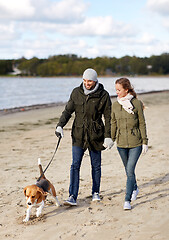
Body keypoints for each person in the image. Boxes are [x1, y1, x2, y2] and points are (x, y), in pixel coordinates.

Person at [55, 68, 114, 206]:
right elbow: (68, 111)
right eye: (85, 80)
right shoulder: (76, 92)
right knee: (75, 165)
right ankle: (72, 196)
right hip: (78, 135)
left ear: (95, 80)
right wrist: (60, 125)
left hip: (96, 135)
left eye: (90, 81)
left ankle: (95, 192)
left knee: (96, 166)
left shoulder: (103, 95)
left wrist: (108, 136)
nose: (87, 83)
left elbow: (108, 117)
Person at [111, 78, 148, 210]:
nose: (117, 92)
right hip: (121, 144)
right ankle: (135, 188)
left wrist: (145, 142)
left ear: (126, 89)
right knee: (128, 171)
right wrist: (111, 139)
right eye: (116, 90)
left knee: (130, 170)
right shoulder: (115, 105)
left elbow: (142, 123)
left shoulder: (136, 103)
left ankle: (127, 200)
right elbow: (113, 123)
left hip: (135, 143)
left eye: (119, 90)